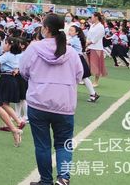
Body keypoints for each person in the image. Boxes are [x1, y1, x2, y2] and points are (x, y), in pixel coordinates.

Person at [20, 13, 83, 185]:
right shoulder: (70, 52)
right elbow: (79, 75)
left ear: (46, 29)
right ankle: (63, 178)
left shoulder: (34, 48)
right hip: (64, 104)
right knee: (63, 144)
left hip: (38, 103)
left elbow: (24, 71)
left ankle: (46, 181)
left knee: (42, 146)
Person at [85, 12, 107, 87]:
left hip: (97, 47)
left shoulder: (100, 26)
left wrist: (89, 42)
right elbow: (89, 35)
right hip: (90, 47)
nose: (91, 19)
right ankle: (86, 79)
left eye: (92, 17)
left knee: (96, 65)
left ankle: (96, 81)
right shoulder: (92, 26)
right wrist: (87, 43)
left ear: (96, 17)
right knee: (88, 64)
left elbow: (97, 38)